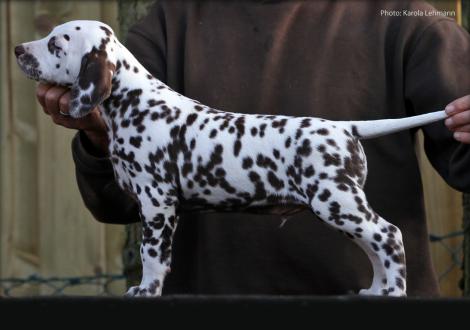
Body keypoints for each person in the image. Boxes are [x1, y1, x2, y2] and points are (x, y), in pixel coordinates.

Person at [36, 0, 470, 296]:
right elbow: (124, 202)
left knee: (350, 214)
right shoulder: (171, 20)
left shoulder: (407, 16)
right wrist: (98, 133)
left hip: (372, 312)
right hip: (211, 307)